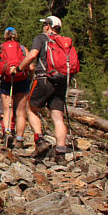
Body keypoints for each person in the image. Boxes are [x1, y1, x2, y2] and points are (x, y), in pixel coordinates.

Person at [18, 15, 68, 161]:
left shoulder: (41, 38)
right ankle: (60, 153)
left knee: (30, 108)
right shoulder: (64, 42)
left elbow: (33, 55)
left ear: (48, 26)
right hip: (61, 81)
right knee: (58, 117)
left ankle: (39, 140)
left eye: (44, 24)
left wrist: (21, 67)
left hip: (44, 79)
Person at [0, 27, 32, 148]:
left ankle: (7, 133)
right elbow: (31, 67)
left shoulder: (0, 48)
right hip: (22, 80)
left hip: (7, 80)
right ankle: (20, 140)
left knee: (7, 110)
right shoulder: (22, 48)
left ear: (5, 35)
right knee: (21, 112)